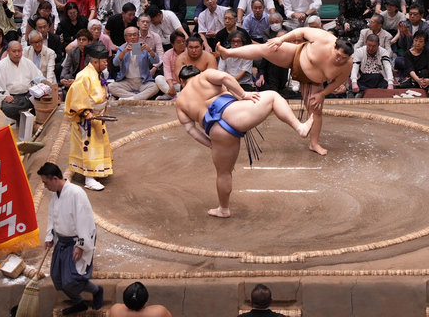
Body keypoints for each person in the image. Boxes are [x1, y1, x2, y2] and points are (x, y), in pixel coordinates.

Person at [176, 66, 314, 217]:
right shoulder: (205, 75)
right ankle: (299, 127)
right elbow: (225, 78)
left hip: (216, 131)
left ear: (181, 81)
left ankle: (223, 209)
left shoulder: (180, 102)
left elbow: (191, 130)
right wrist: (244, 94)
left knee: (223, 174)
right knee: (273, 96)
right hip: (233, 113)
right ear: (198, 73)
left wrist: (210, 144)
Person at [217, 28, 352, 156]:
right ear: (333, 47)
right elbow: (301, 32)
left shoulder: (347, 65)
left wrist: (322, 94)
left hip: (313, 81)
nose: (339, 59)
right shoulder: (324, 38)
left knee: (315, 110)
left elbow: (337, 82)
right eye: (338, 55)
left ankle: (314, 144)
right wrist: (281, 40)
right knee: (266, 48)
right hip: (297, 56)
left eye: (343, 58)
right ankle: (228, 53)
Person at [39, 162, 103, 314]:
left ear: (55, 178)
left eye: (45, 182)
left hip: (77, 240)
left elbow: (85, 220)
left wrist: (80, 245)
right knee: (57, 276)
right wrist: (50, 236)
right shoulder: (56, 194)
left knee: (72, 279)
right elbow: (52, 217)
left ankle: (96, 290)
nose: (45, 186)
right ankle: (78, 302)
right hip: (61, 240)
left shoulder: (76, 193)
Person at [65, 42, 112, 191]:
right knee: (89, 146)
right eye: (104, 61)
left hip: (97, 116)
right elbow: (76, 97)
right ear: (95, 61)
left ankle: (95, 172)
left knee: (97, 145)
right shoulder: (83, 75)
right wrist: (85, 112)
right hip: (86, 118)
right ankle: (89, 178)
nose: (106, 64)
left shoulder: (98, 73)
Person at [0, 41, 42, 123]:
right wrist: (5, 96)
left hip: (28, 95)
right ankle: (21, 120)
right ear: (8, 52)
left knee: (45, 100)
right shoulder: (1, 65)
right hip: (13, 98)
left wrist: (40, 89)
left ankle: (28, 118)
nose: (17, 54)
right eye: (14, 51)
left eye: (19, 51)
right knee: (7, 108)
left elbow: (38, 77)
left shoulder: (27, 63)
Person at [109, 27, 160, 101]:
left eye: (134, 35)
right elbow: (115, 63)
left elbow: (156, 61)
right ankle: (137, 98)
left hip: (143, 81)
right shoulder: (122, 48)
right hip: (127, 81)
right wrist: (124, 52)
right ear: (125, 38)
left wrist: (150, 50)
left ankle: (131, 99)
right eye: (130, 35)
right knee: (110, 87)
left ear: (138, 36)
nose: (132, 37)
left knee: (155, 87)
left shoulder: (144, 48)